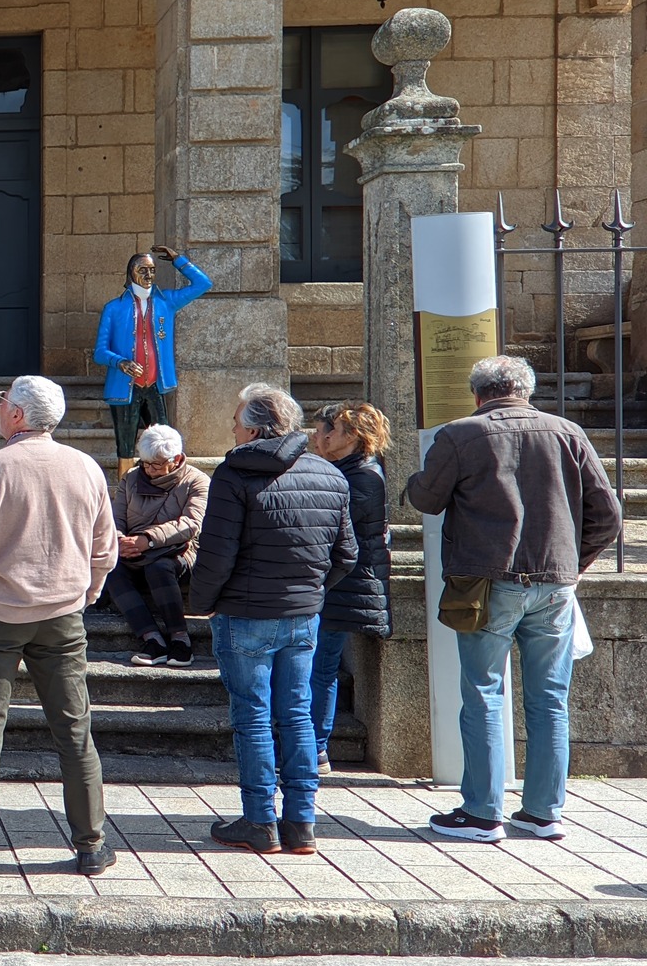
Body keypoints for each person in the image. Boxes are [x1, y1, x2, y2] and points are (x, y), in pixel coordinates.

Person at [407, 356, 620, 843]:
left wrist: (411, 482)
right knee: (549, 700)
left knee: (483, 692)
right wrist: (573, 563)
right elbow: (608, 515)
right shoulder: (567, 432)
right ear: (526, 391)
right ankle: (544, 812)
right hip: (554, 585)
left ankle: (483, 812)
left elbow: (427, 499)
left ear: (478, 394)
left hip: (487, 582)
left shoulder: (460, 434)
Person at [0, 376, 117, 879]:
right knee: (74, 729)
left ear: (16, 416)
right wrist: (87, 593)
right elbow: (105, 548)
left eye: (2, 402)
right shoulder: (86, 467)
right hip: (61, 613)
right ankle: (91, 844)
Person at [189, 384, 355, 857]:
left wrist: (201, 603)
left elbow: (216, 556)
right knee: (297, 715)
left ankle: (260, 821)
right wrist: (312, 590)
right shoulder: (328, 473)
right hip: (303, 614)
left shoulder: (233, 473)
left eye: (237, 420)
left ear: (258, 427)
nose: (232, 428)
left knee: (254, 718)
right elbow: (347, 554)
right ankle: (301, 822)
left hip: (244, 615)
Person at [306, 401, 393, 772]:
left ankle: (316, 748)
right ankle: (311, 744)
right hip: (337, 584)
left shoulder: (364, 477)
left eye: (333, 431)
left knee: (320, 667)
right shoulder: (346, 469)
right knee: (316, 665)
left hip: (345, 585)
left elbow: (334, 532)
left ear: (353, 436)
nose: (325, 436)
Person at [93, 244, 213, 478]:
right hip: (125, 386)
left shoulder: (166, 301)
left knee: (163, 442)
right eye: (142, 270)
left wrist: (178, 260)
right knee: (125, 445)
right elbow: (99, 351)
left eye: (152, 270)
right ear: (131, 272)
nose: (148, 275)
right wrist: (120, 362)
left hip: (155, 385)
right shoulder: (114, 308)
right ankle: (125, 490)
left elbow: (203, 284)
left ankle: (164, 483)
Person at [104, 424, 210, 668]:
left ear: (177, 459)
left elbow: (192, 524)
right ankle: (151, 638)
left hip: (179, 554)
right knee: (111, 567)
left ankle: (180, 638)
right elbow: (116, 516)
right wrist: (120, 540)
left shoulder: (197, 481)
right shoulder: (131, 477)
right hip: (132, 554)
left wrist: (147, 540)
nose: (150, 470)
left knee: (159, 567)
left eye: (157, 464)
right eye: (146, 464)